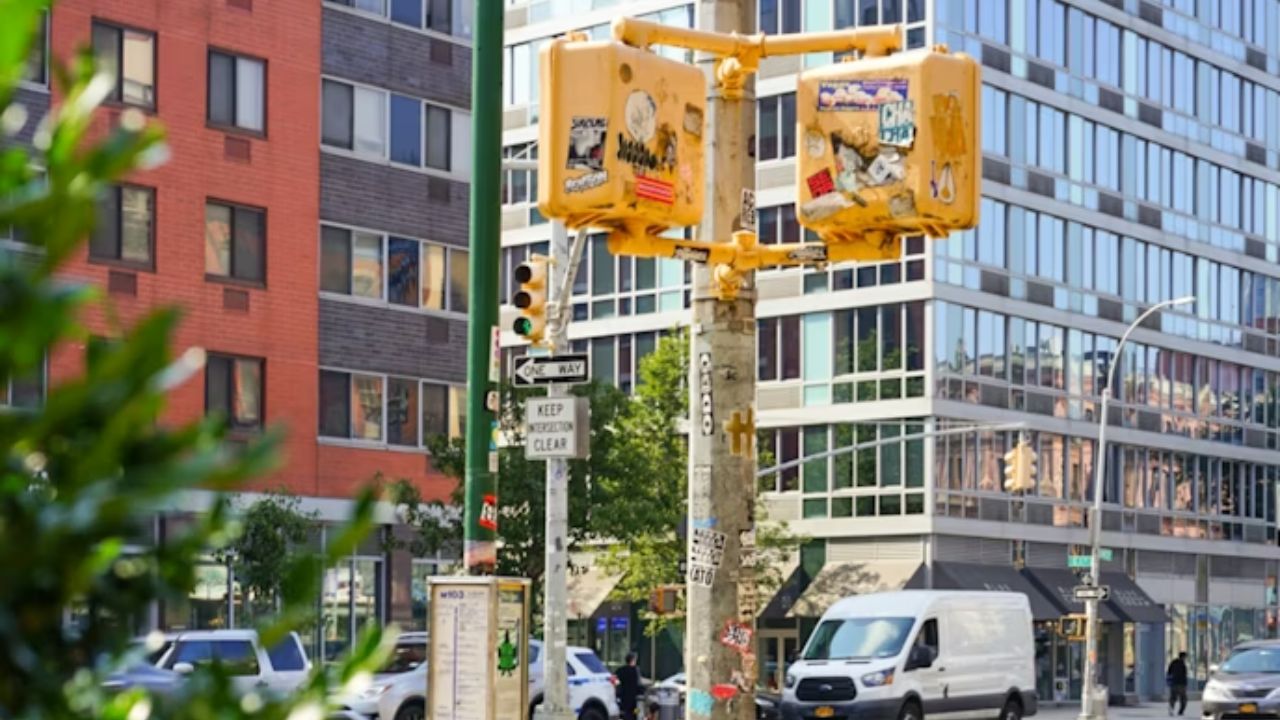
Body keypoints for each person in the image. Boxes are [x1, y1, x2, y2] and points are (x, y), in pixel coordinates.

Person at [615, 652, 641, 720]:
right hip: (633, 699)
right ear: (633, 660)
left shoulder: (621, 670)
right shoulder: (636, 670)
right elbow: (638, 683)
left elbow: (615, 679)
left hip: (624, 698)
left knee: (625, 714)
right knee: (636, 712)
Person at [1167, 651, 1189, 716]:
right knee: (1183, 699)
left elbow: (1169, 672)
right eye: (1185, 657)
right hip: (1181, 684)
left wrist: (1170, 681)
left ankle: (1171, 708)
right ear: (1183, 657)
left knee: (1173, 697)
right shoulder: (1182, 664)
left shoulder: (1173, 662)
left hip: (1174, 683)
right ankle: (1181, 711)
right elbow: (1184, 674)